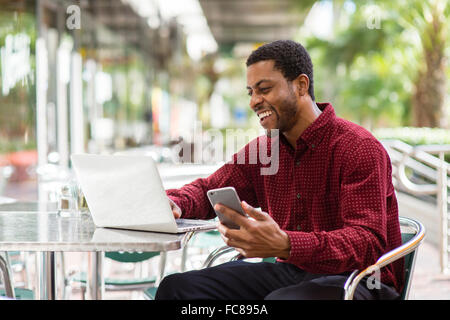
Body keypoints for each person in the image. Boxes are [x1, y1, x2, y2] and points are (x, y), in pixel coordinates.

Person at [156, 40, 403, 300]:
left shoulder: (358, 148)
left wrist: (287, 244)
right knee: (177, 289)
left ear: (301, 86)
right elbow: (209, 189)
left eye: (264, 89)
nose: (254, 101)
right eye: (250, 91)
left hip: (360, 280)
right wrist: (175, 204)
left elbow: (366, 243)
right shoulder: (265, 151)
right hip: (292, 273)